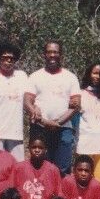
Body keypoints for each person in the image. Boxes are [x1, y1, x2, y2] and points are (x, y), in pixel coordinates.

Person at [26, 40, 82, 171]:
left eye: (55, 52)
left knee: (62, 168)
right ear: (44, 55)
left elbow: (75, 105)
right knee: (40, 166)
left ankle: (60, 192)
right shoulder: (35, 76)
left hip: (64, 129)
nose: (52, 55)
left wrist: (57, 123)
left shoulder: (70, 77)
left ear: (61, 55)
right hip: (39, 127)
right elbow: (27, 101)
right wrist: (44, 122)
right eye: (49, 52)